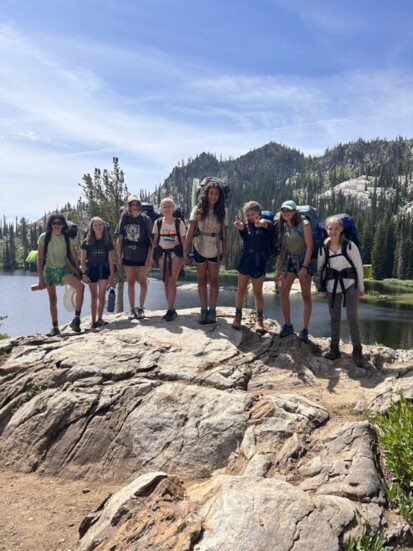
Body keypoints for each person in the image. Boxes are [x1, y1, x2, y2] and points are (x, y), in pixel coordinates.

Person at [317, 216, 365, 366]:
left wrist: (361, 287)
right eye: (330, 229)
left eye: (336, 228)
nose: (333, 232)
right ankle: (334, 349)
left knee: (352, 316)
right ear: (326, 230)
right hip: (332, 285)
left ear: (341, 229)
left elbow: (358, 267)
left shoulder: (350, 246)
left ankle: (357, 350)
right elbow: (320, 270)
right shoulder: (323, 249)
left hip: (351, 283)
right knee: (334, 317)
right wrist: (321, 290)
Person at [184, 180, 228, 324]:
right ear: (206, 194)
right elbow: (190, 231)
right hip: (199, 246)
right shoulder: (197, 209)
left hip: (215, 248)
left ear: (219, 196)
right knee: (202, 280)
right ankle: (204, 310)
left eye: (216, 194)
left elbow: (225, 234)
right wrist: (185, 251)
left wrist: (225, 253)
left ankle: (213, 311)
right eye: (211, 193)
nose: (213, 196)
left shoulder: (223, 210)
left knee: (214, 281)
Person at [37, 213, 84, 336]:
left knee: (80, 287)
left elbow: (74, 257)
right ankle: (55, 327)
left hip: (63, 270)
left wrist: (78, 272)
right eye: (54, 223)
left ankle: (76, 320)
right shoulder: (44, 237)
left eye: (59, 223)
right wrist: (41, 278)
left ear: (63, 225)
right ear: (51, 225)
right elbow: (40, 259)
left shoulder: (67, 239)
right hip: (49, 271)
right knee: (53, 299)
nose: (57, 225)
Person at [276, 200, 313, 343]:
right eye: (284, 211)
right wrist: (279, 270)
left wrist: (304, 267)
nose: (286, 213)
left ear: (295, 211)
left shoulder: (305, 224)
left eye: (289, 211)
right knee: (283, 292)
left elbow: (310, 246)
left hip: (304, 260)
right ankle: (288, 325)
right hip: (289, 260)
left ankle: (304, 329)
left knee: (306, 296)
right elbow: (284, 248)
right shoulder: (284, 225)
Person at [232, 201, 270, 333]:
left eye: (253, 214)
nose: (250, 217)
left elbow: (268, 228)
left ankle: (259, 320)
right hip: (245, 259)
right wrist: (241, 229)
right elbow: (247, 240)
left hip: (259, 261)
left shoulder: (265, 223)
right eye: (248, 215)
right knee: (241, 289)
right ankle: (238, 317)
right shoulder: (246, 225)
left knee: (258, 292)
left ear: (259, 213)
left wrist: (262, 224)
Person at [116, 195, 153, 320]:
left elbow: (151, 240)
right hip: (128, 254)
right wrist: (119, 255)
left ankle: (141, 308)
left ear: (140, 205)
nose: (135, 207)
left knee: (143, 281)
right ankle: (132, 309)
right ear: (129, 205)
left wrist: (150, 256)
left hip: (142, 253)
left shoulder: (145, 219)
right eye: (132, 204)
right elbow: (120, 239)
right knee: (130, 281)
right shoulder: (124, 219)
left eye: (137, 204)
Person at [150, 198, 186, 321]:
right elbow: (155, 241)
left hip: (176, 254)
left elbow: (184, 241)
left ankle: (171, 309)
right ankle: (170, 308)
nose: (167, 209)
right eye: (164, 207)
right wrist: (151, 256)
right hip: (162, 254)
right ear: (161, 208)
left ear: (173, 208)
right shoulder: (158, 223)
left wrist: (185, 256)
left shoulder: (179, 223)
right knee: (166, 281)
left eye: (170, 206)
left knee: (171, 281)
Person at [80, 217, 115, 328]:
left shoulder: (107, 242)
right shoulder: (87, 242)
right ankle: (93, 320)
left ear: (104, 226)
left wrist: (112, 275)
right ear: (92, 227)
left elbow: (110, 260)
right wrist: (84, 274)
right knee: (94, 296)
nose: (98, 227)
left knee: (102, 295)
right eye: (95, 225)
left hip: (104, 270)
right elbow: (83, 259)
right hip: (92, 271)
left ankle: (100, 318)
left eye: (100, 225)